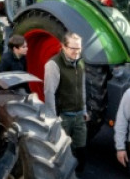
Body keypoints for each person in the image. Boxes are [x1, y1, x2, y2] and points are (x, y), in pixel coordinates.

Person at [44, 31, 88, 172]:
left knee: (81, 147)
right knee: (62, 150)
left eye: (79, 48)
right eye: (73, 48)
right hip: (64, 116)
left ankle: (78, 172)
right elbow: (49, 92)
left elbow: (82, 87)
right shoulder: (53, 64)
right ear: (63, 46)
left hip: (79, 114)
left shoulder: (80, 62)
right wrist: (52, 118)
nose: (77, 52)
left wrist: (84, 109)